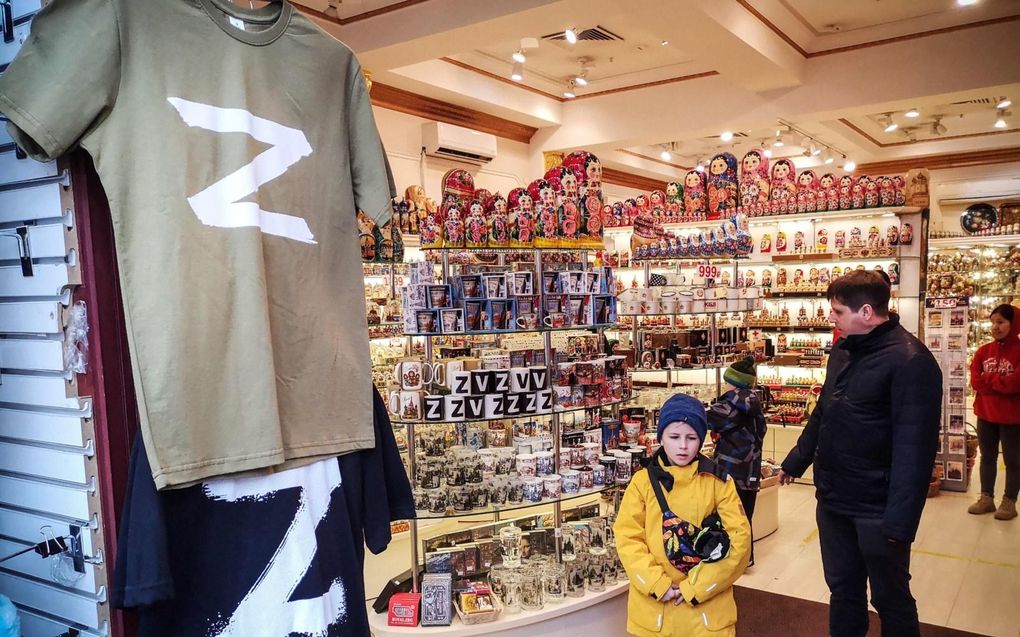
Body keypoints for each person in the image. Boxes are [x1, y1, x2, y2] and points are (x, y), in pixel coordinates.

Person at [778, 270, 942, 637]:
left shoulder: (911, 362)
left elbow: (915, 451)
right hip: (835, 499)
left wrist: (900, 525)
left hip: (878, 509)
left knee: (890, 598)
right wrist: (796, 460)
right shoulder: (842, 349)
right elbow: (825, 411)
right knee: (843, 590)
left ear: (866, 312)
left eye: (837, 312)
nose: (830, 318)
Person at [614, 393, 751, 637]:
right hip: (655, 611)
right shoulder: (642, 482)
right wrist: (657, 584)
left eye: (692, 437)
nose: (683, 446)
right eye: (674, 437)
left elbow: (739, 543)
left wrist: (695, 587)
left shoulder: (718, 481)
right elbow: (627, 538)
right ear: (661, 437)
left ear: (702, 439)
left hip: (706, 612)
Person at [707, 356, 767, 566]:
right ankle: (747, 556)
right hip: (751, 468)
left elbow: (705, 419)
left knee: (731, 514)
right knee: (745, 513)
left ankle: (736, 557)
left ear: (733, 383)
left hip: (731, 468)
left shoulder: (730, 407)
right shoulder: (754, 404)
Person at [967, 303, 1020, 520]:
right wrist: (998, 382)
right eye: (993, 322)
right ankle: (986, 498)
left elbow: (1015, 384)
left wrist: (989, 380)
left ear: (1013, 324)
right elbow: (975, 381)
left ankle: (1009, 502)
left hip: (1012, 416)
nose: (996, 327)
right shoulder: (983, 351)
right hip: (985, 413)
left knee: (1013, 460)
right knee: (987, 457)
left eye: (1001, 322)